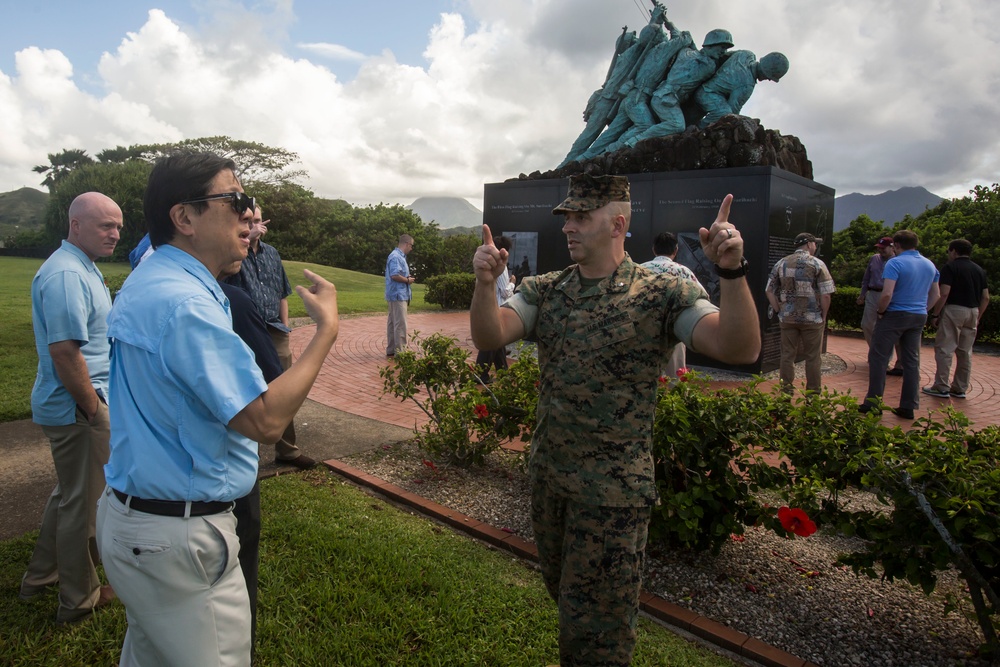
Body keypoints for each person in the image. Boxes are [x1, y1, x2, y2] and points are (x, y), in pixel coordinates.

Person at [470, 173, 760, 666]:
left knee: (598, 633)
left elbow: (739, 346)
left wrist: (731, 273)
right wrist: (483, 286)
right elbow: (491, 336)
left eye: (583, 217)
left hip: (612, 497)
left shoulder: (660, 293)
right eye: (568, 217)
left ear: (618, 223)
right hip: (550, 482)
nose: (569, 227)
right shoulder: (548, 290)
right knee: (570, 605)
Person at [96, 151, 339, 666]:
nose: (248, 216)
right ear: (184, 218)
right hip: (179, 542)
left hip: (138, 524)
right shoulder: (186, 303)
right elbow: (267, 421)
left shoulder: (149, 279)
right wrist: (326, 333)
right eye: (236, 201)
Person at [19, 192, 122, 624]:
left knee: (70, 496)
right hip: (78, 407)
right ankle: (77, 600)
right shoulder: (65, 274)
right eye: (105, 226)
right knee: (85, 505)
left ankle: (41, 577)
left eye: (117, 226)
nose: (115, 234)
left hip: (81, 403)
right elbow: (65, 352)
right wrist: (93, 409)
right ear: (75, 224)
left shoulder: (84, 267)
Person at [225, 206, 314, 468]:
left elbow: (282, 292)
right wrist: (246, 238)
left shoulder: (272, 254)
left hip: (274, 329)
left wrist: (284, 326)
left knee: (283, 388)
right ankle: (242, 454)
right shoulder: (232, 252)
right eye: (249, 221)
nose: (255, 225)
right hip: (242, 331)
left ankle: (287, 450)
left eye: (258, 220)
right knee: (245, 389)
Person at [860, 230, 939, 419]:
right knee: (911, 361)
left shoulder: (895, 263)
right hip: (918, 316)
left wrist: (880, 312)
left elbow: (887, 294)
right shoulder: (929, 264)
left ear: (896, 245)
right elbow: (936, 294)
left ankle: (873, 403)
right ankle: (908, 406)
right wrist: (923, 309)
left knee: (878, 357)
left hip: (895, 314)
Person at [765, 232, 835, 394]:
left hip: (787, 318)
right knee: (813, 357)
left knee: (787, 356)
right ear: (809, 244)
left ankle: (785, 393)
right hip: (812, 319)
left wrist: (778, 310)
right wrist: (823, 316)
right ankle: (812, 396)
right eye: (814, 243)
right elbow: (825, 294)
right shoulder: (817, 264)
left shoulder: (781, 263)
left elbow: (769, 290)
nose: (815, 246)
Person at [923, 239, 989, 399]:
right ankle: (960, 388)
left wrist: (936, 313)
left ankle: (941, 386)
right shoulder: (979, 270)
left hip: (954, 309)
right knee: (965, 351)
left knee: (945, 348)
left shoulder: (950, 267)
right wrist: (978, 316)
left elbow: (944, 292)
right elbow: (986, 297)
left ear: (953, 251)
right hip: (973, 311)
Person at [642, 231, 701, 376]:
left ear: (654, 249)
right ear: (676, 250)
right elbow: (701, 297)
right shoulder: (683, 272)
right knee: (675, 377)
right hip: (674, 331)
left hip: (643, 330)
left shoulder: (640, 269)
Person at [693, 50, 789, 128]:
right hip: (706, 94)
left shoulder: (746, 54)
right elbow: (732, 114)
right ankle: (698, 129)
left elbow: (722, 56)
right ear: (767, 72)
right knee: (724, 112)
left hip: (704, 85)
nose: (768, 80)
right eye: (770, 77)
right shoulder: (747, 85)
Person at [857, 237, 904, 375]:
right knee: (867, 325)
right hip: (873, 293)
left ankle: (884, 358)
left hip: (889, 295)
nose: (880, 250)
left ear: (892, 247)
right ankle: (876, 352)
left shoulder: (897, 261)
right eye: (879, 247)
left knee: (887, 329)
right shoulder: (874, 259)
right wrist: (862, 294)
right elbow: (866, 278)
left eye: (883, 248)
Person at [474, 234, 516, 383]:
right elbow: (505, 291)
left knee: (498, 345)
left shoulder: (487, 265)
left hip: (490, 307)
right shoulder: (501, 268)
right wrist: (512, 282)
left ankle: (503, 373)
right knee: (491, 344)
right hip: (497, 307)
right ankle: (481, 375)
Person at [385, 234, 416, 357]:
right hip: (398, 295)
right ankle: (401, 352)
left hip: (394, 295)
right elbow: (394, 275)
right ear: (407, 244)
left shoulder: (396, 256)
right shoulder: (396, 257)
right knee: (400, 324)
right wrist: (408, 280)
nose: (411, 249)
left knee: (393, 323)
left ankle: (392, 349)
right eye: (411, 245)